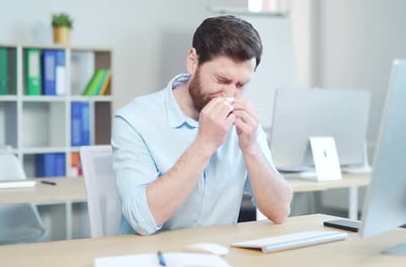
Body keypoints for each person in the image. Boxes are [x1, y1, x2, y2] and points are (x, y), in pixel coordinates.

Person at [112, 15, 293, 235]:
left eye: (241, 84)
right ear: (193, 61)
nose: (230, 94)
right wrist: (204, 144)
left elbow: (280, 210)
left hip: (220, 255)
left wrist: (252, 149)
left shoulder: (244, 123)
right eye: (222, 80)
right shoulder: (134, 120)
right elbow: (142, 220)